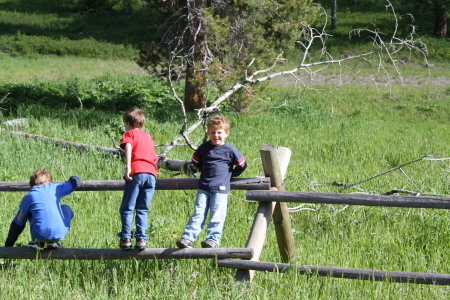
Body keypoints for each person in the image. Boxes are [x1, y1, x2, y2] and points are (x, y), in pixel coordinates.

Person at [176, 115, 247, 249]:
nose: (216, 135)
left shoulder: (230, 150)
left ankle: (213, 240)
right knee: (198, 213)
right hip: (203, 187)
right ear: (208, 133)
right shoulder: (204, 148)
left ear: (226, 133)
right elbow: (196, 162)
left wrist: (230, 174)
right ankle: (188, 238)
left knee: (217, 215)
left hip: (220, 189)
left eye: (219, 132)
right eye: (212, 132)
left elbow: (242, 165)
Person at [4, 169, 80, 250]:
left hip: (39, 234)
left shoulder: (29, 197)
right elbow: (76, 182)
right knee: (66, 208)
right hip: (60, 233)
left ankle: (38, 241)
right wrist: (73, 177)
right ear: (50, 183)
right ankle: (53, 241)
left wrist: (8, 245)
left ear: (30, 186)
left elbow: (18, 222)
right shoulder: (55, 188)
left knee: (30, 212)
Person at [118, 107, 158, 250]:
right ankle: (141, 239)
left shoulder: (129, 134)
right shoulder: (148, 137)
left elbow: (128, 146)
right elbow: (154, 156)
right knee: (142, 208)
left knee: (127, 207)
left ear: (128, 123)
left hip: (137, 172)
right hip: (151, 174)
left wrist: (128, 166)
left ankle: (126, 237)